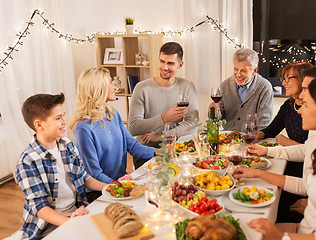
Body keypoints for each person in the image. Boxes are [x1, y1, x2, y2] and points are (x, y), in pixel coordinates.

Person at [234, 78, 316, 239]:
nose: (299, 111)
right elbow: (306, 185)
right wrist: (257, 174)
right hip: (307, 228)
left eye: (306, 105)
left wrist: (280, 237)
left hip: (315, 234)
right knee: (241, 228)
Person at [15, 93, 107, 239]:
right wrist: (71, 222)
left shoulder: (67, 145)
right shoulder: (28, 161)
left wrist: (109, 187)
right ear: (39, 125)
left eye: (63, 116)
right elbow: (40, 207)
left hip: (77, 210)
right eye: (58, 118)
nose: (65, 121)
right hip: (48, 225)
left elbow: (83, 177)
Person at [70, 67, 157, 203]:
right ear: (97, 88)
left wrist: (159, 152)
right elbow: (94, 173)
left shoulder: (112, 114)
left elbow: (132, 146)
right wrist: (119, 185)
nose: (114, 86)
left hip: (120, 181)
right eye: (110, 82)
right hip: (100, 190)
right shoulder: (84, 128)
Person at [128, 42, 199, 169]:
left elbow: (193, 124)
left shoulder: (187, 86)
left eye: (170, 63)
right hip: (146, 153)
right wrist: (165, 117)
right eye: (162, 61)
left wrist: (159, 136)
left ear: (180, 65)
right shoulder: (142, 88)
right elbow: (133, 127)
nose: (164, 67)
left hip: (177, 150)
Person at [210, 48, 273, 132]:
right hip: (228, 138)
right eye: (236, 69)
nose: (238, 74)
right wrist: (214, 112)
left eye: (243, 70)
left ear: (254, 71)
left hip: (252, 139)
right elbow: (218, 119)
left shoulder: (264, 87)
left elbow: (264, 123)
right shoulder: (225, 85)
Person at [256, 62, 313, 147]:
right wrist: (258, 134)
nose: (283, 83)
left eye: (288, 78)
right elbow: (271, 130)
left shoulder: (315, 109)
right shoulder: (288, 105)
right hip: (289, 156)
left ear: (302, 79)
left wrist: (288, 143)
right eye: (283, 79)